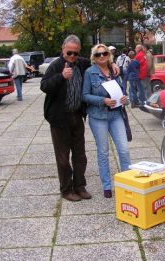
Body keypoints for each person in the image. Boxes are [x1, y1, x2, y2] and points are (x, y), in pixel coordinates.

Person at [41, 35, 119, 202]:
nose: (72, 56)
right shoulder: (55, 66)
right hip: (59, 119)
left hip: (77, 115)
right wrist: (61, 76)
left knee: (80, 155)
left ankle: (80, 186)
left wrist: (111, 63)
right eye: (69, 53)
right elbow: (44, 86)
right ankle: (66, 189)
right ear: (63, 49)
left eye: (75, 53)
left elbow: (99, 64)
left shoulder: (82, 63)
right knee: (63, 158)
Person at [82, 44, 131, 199]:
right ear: (93, 57)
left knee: (124, 150)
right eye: (98, 54)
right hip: (98, 117)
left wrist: (125, 98)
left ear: (109, 55)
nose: (102, 56)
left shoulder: (115, 71)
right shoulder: (90, 72)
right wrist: (102, 100)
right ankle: (107, 186)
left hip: (116, 115)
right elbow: (85, 95)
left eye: (104, 53)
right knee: (103, 152)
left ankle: (126, 183)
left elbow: (123, 92)